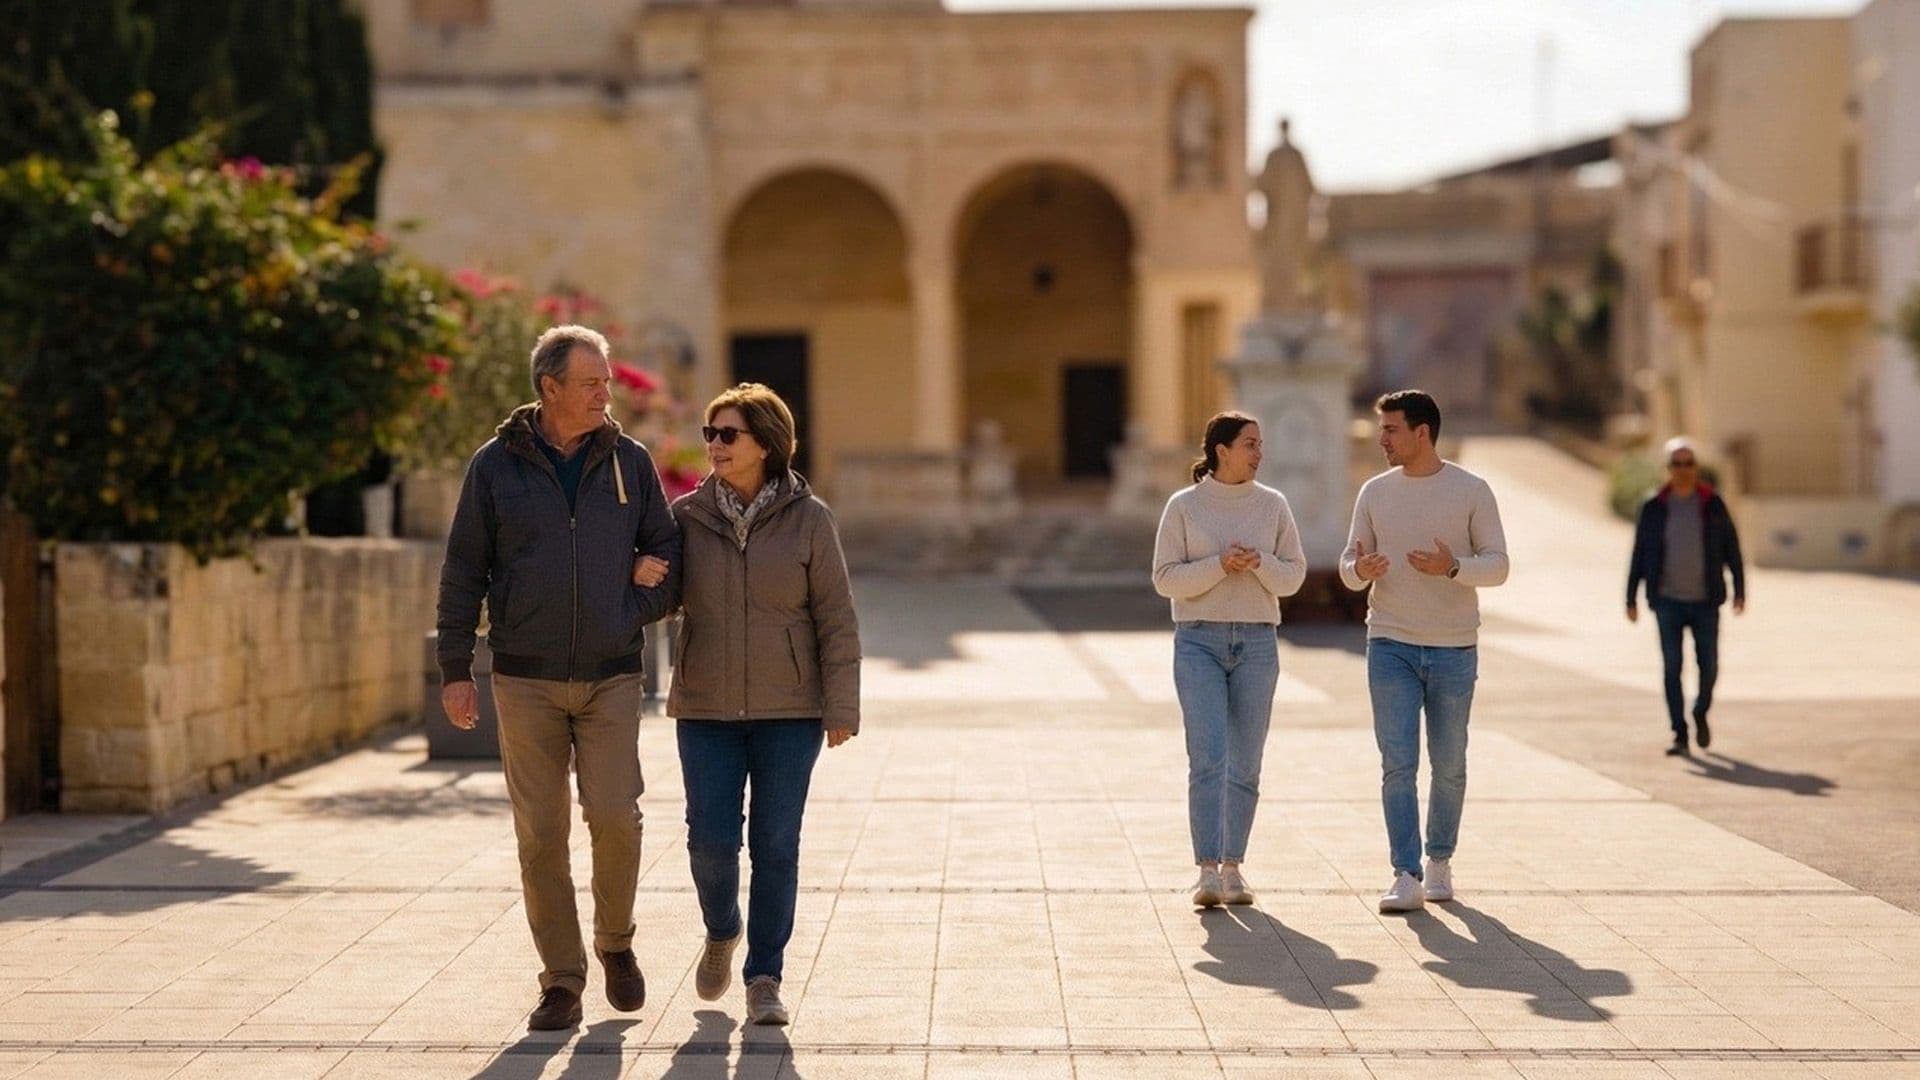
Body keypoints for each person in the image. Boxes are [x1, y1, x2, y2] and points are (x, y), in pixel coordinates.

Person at [437, 324, 681, 1031]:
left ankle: (616, 942)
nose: (606, 393)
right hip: (524, 679)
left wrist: (626, 609)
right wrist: (455, 668)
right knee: (541, 834)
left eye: (607, 381)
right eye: (591, 383)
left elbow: (669, 558)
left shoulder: (630, 462)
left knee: (615, 815)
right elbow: (464, 570)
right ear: (550, 388)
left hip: (611, 675)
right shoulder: (495, 467)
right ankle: (562, 980)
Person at [657, 382, 860, 1026]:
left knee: (775, 844)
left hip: (790, 712)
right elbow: (660, 600)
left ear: (766, 444)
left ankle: (765, 976)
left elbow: (836, 617)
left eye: (728, 434)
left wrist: (842, 705)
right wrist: (639, 574)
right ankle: (723, 928)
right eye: (710, 434)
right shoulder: (686, 518)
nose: (714, 445)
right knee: (709, 841)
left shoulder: (811, 520)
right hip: (706, 710)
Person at [1338, 390, 1508, 914]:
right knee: (1398, 762)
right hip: (1389, 643)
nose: (1382, 440)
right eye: (1382, 430)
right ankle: (1405, 873)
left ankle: (1439, 860)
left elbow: (1498, 565)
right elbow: (1348, 565)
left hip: (1454, 647)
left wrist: (1452, 567)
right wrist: (1360, 570)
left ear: (1422, 432)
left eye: (1391, 430)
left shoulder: (1471, 490)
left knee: (1450, 763)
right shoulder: (1374, 492)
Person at [1152, 411, 1307, 909]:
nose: (1259, 453)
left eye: (1260, 444)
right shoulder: (1184, 506)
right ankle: (1207, 871)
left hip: (1258, 643)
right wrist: (1220, 565)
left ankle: (1234, 867)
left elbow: (1293, 577)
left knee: (1246, 761)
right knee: (1208, 757)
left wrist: (1260, 563)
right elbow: (1165, 579)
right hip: (1198, 641)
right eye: (1250, 444)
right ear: (1222, 450)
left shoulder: (1273, 505)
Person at [1625, 436, 1746, 756]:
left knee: (1709, 665)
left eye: (1688, 463)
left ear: (1696, 467)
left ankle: (1700, 711)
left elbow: (1732, 548)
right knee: (1672, 667)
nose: (1683, 469)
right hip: (1667, 601)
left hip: (1706, 601)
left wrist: (1740, 589)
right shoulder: (1654, 506)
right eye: (1676, 464)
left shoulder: (1712, 503)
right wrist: (1631, 597)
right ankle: (1679, 732)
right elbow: (1639, 553)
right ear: (1668, 468)